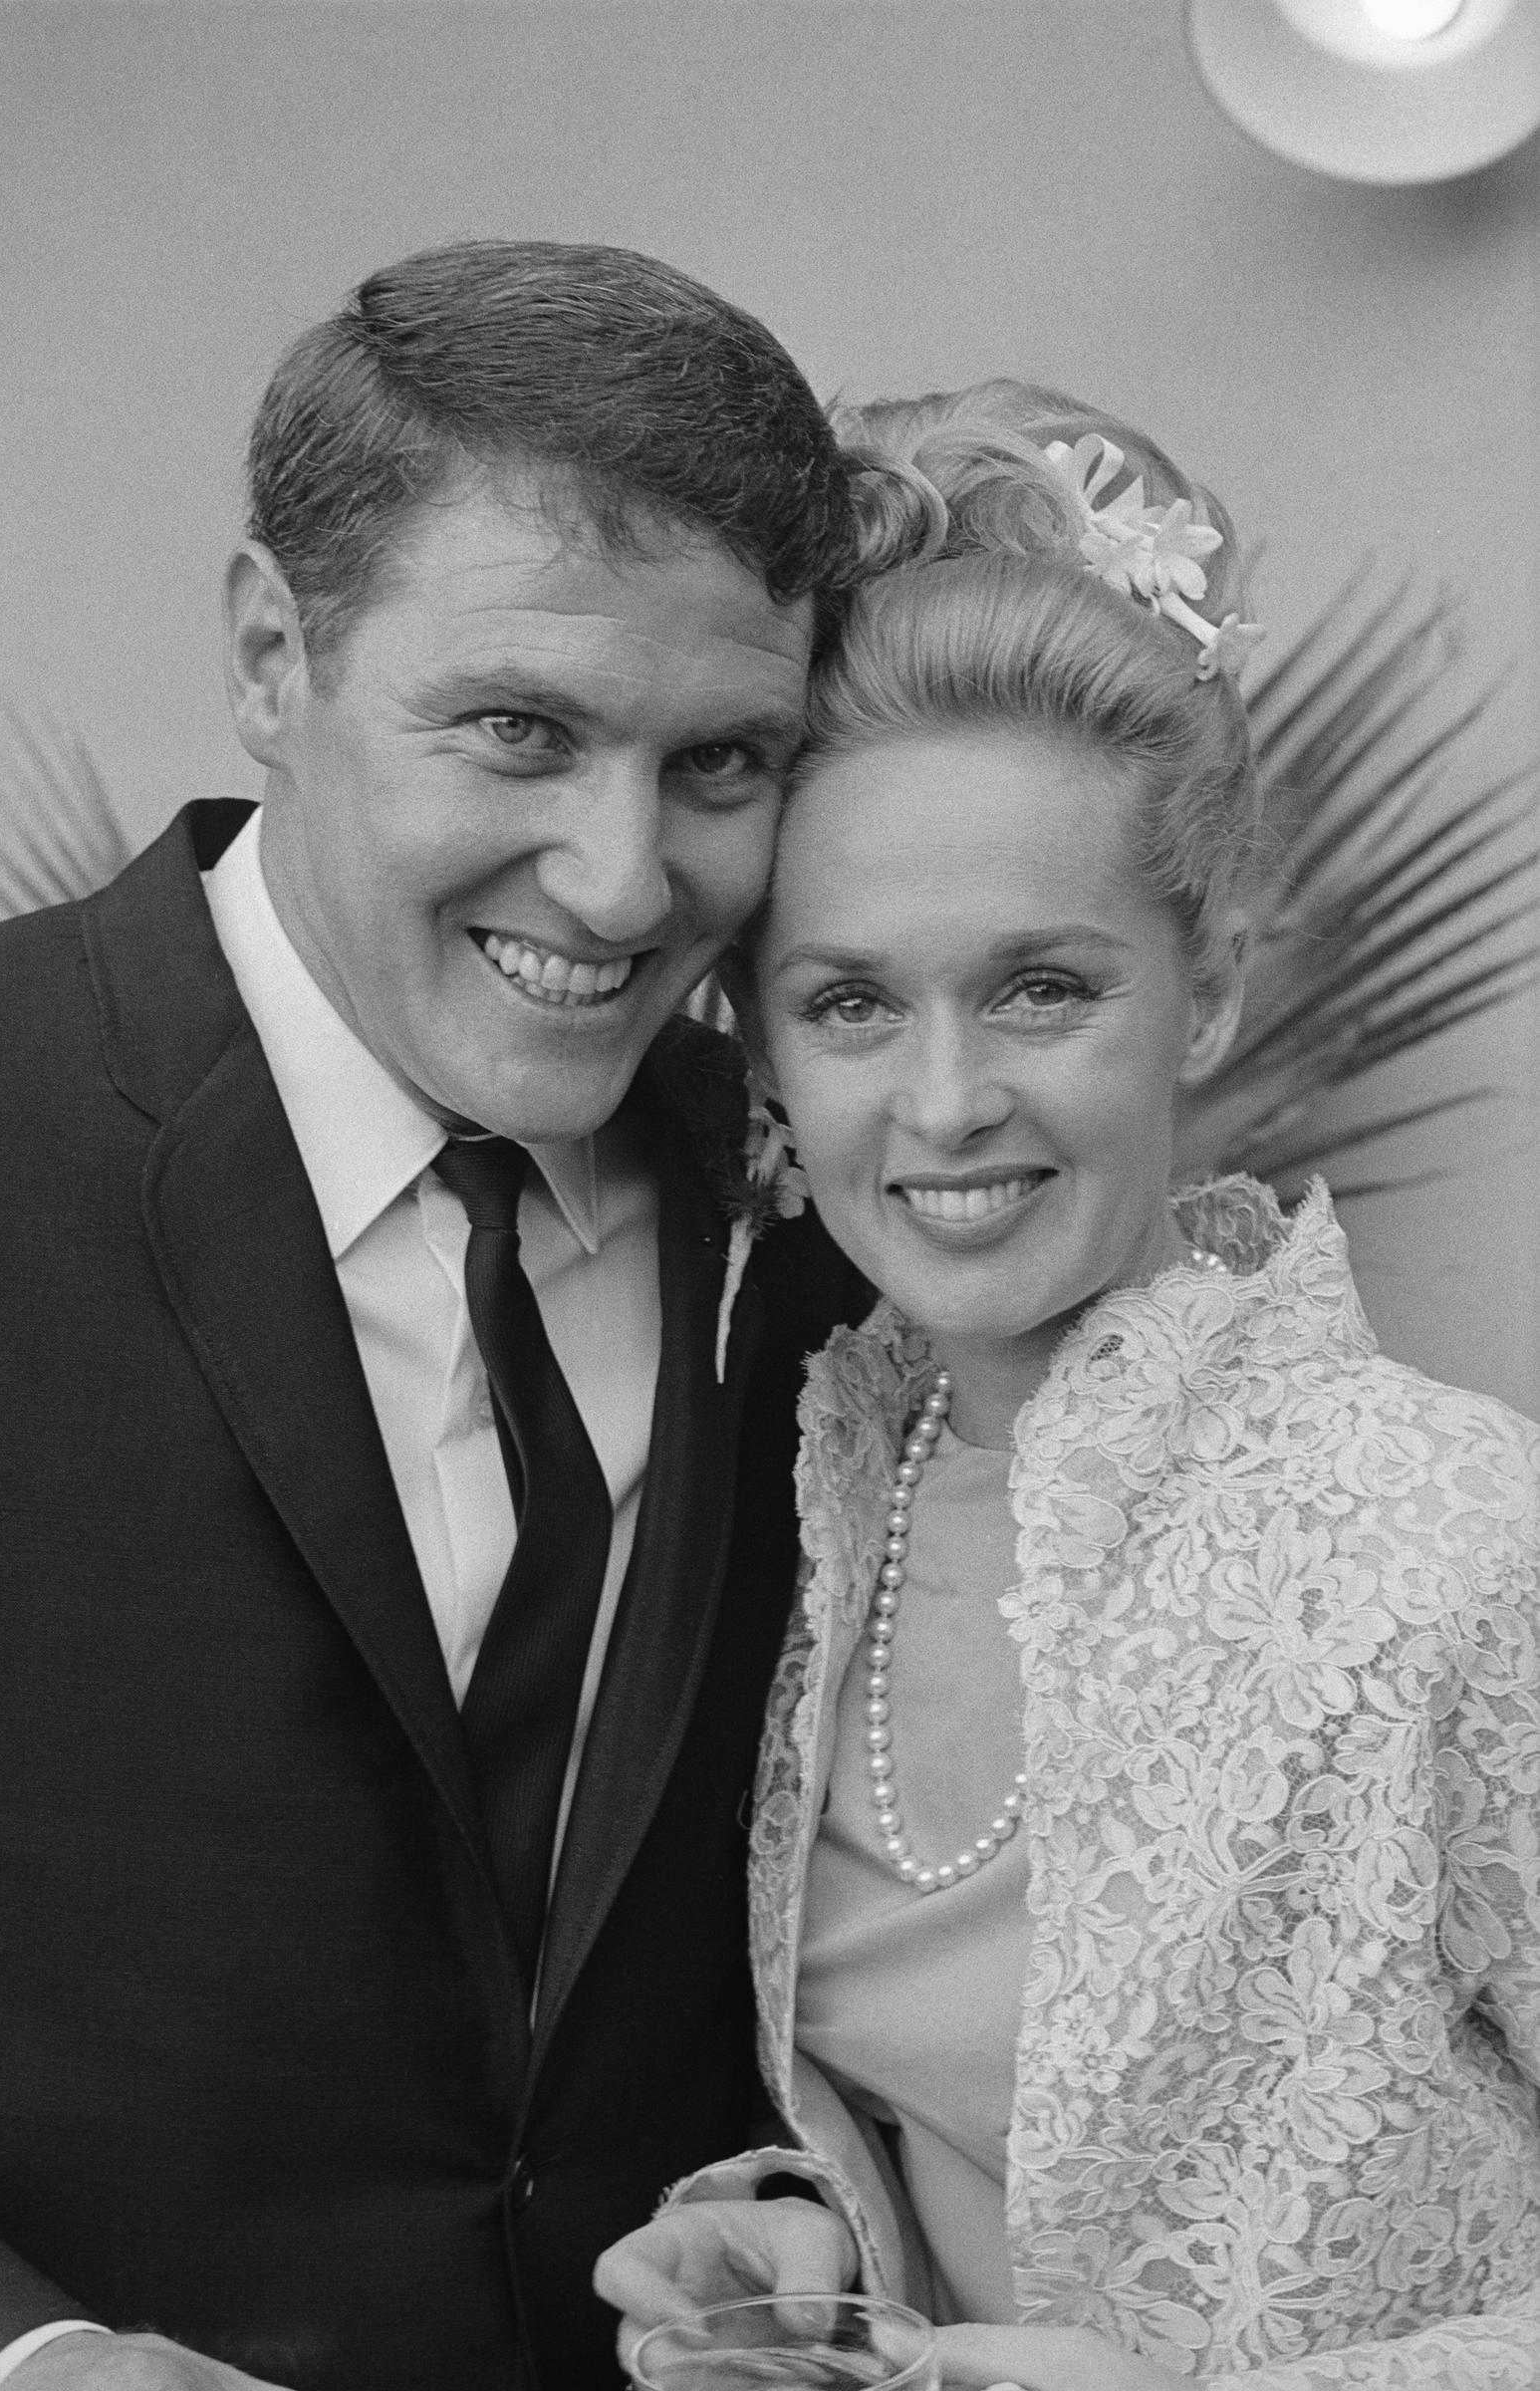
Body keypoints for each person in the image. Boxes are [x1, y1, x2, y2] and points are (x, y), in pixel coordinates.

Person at [0, 239, 877, 2391]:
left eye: (723, 762)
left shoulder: (840, 1201)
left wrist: (801, 2212)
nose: (622, 878)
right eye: (516, 730)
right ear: (273, 653)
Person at [596, 384, 1540, 2388]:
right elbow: (985, 2134)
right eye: (851, 1002)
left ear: (1201, 986)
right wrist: (799, 2242)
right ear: (757, 1043)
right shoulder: (807, 1495)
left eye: (1041, 984)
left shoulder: (1459, 1547)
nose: (943, 1107)